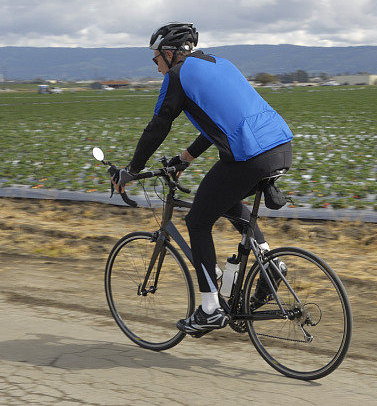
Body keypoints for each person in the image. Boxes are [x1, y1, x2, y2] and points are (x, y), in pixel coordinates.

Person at [111, 22, 293, 335]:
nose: (157, 69)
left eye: (156, 60)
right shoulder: (221, 64)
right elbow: (219, 123)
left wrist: (132, 170)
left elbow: (158, 126)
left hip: (248, 155)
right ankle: (270, 261)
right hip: (281, 147)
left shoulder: (177, 76)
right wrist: (184, 160)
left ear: (169, 54)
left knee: (197, 222)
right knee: (228, 200)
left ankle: (210, 308)